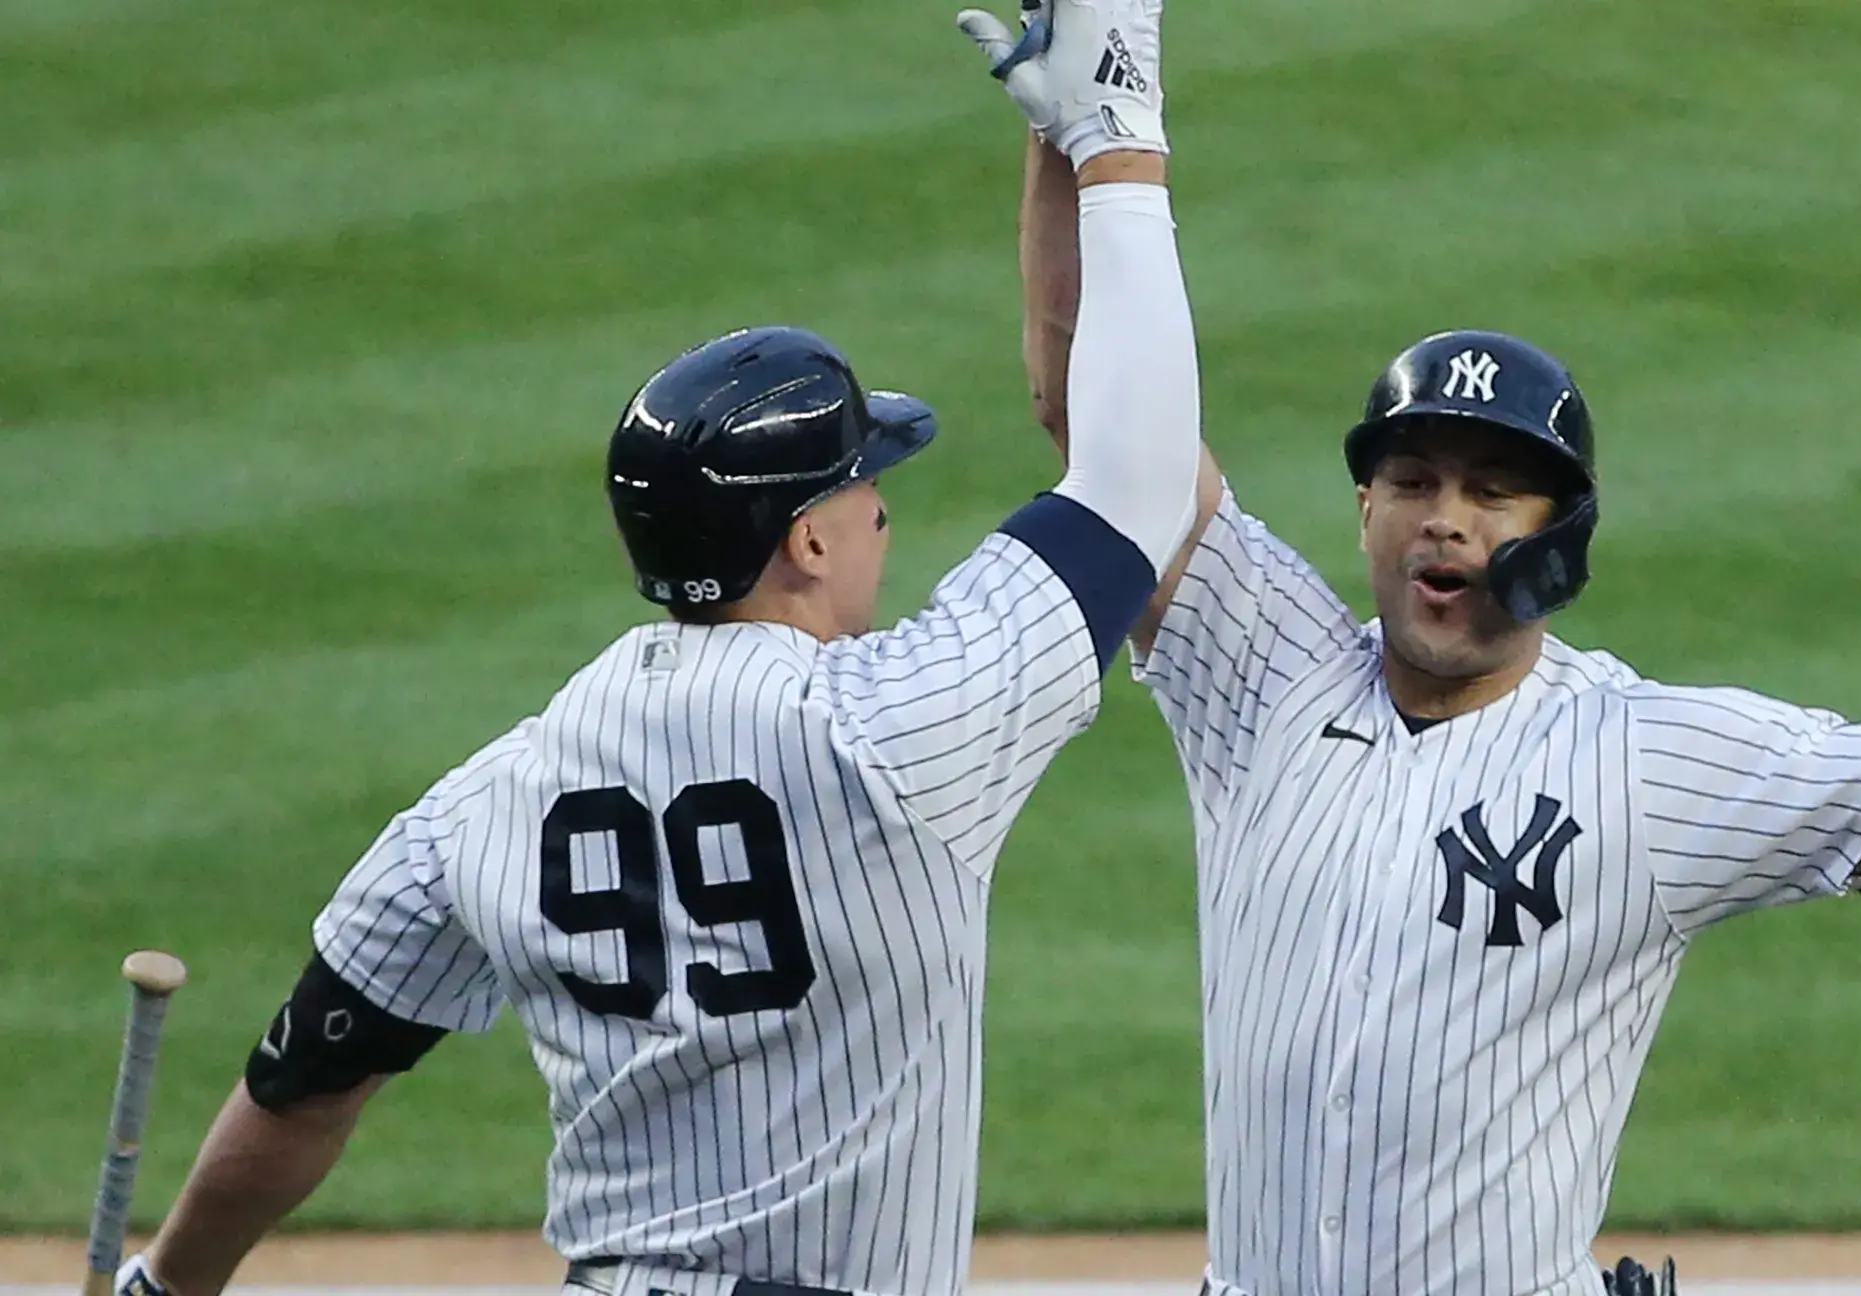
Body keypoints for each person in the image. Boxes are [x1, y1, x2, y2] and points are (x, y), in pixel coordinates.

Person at [1000, 99, 1861, 1296]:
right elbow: (1091, 401)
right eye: (1413, 482)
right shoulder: (1260, 661)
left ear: (1562, 530)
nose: (1444, 524)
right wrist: (1075, 132)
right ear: (1366, 508)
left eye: (1492, 491)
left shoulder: (1643, 762)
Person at [114, 4, 1191, 1292]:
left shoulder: (497, 792)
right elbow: (1135, 483)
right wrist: (1115, 142)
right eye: (863, 482)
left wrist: (164, 1283)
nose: (883, 508)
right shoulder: (903, 725)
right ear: (803, 542)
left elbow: (307, 1080)